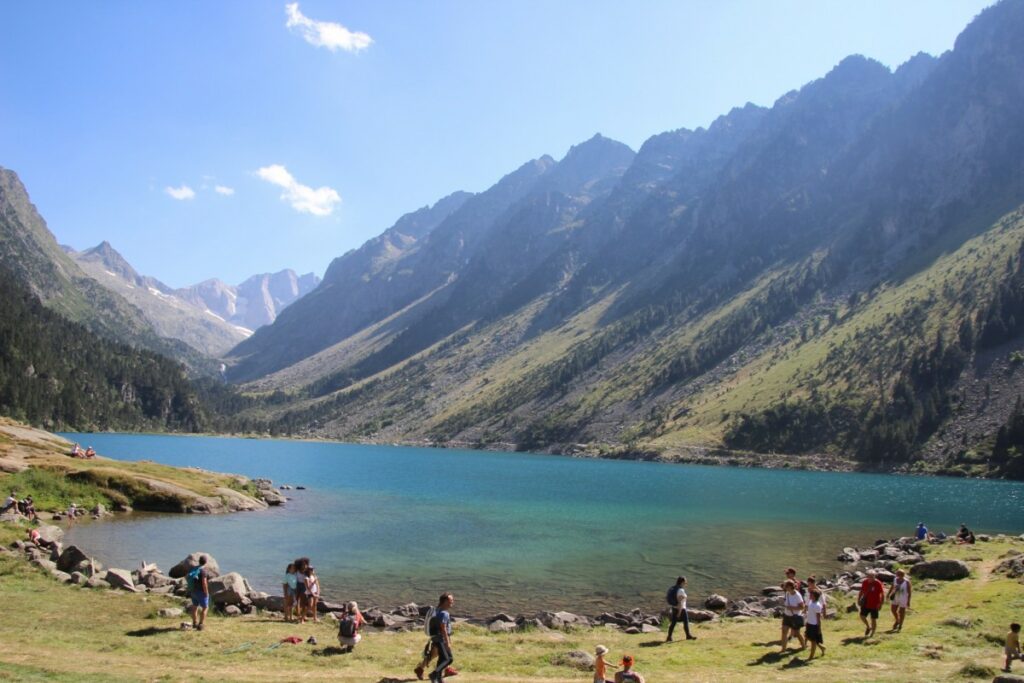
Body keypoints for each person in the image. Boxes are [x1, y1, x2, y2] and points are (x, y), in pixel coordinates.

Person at [428, 592, 455, 683]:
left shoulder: (437, 610)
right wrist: (447, 642)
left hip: (435, 637)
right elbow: (443, 628)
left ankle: (439, 679)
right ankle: (434, 674)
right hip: (441, 639)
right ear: (445, 601)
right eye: (451, 600)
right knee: (449, 659)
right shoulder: (444, 613)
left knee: (442, 658)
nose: (452, 602)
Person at [665, 575, 696, 642]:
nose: (686, 584)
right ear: (682, 582)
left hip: (674, 608)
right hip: (681, 609)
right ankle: (688, 636)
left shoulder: (674, 588)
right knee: (686, 622)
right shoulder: (681, 590)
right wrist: (679, 612)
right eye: (685, 582)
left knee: (673, 623)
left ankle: (669, 637)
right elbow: (680, 602)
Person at [779, 579, 806, 651]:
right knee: (784, 632)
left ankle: (803, 646)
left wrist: (792, 608)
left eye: (786, 586)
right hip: (787, 615)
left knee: (797, 633)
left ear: (790, 586)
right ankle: (783, 649)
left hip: (794, 617)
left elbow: (802, 607)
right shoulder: (787, 593)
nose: (784, 587)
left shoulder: (797, 595)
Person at [858, 569, 885, 637]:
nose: (870, 578)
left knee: (873, 619)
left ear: (874, 576)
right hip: (866, 603)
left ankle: (872, 633)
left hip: (875, 604)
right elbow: (861, 591)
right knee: (862, 616)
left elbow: (882, 594)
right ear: (867, 576)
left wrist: (881, 603)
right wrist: (858, 599)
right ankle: (868, 627)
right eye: (869, 576)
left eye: (872, 576)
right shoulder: (865, 582)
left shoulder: (878, 583)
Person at [187, 555, 210, 631]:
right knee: (205, 608)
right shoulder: (203, 571)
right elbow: (204, 583)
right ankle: (201, 625)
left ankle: (194, 623)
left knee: (195, 607)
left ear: (199, 561)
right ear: (206, 562)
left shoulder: (195, 568)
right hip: (201, 592)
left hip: (193, 591)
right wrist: (206, 592)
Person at [803, 588, 826, 660]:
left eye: (811, 594)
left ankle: (811, 657)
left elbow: (818, 618)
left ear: (815, 596)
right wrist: (807, 622)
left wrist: (819, 628)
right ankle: (822, 647)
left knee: (813, 641)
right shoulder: (811, 602)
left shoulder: (817, 605)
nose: (810, 595)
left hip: (814, 625)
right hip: (809, 623)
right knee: (807, 637)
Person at [293, 557, 309, 623]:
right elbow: (294, 579)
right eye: (303, 564)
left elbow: (312, 578)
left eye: (306, 564)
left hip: (304, 586)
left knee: (303, 602)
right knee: (297, 601)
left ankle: (302, 617)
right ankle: (299, 615)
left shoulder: (307, 572)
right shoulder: (297, 571)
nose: (305, 566)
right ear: (300, 565)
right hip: (297, 585)